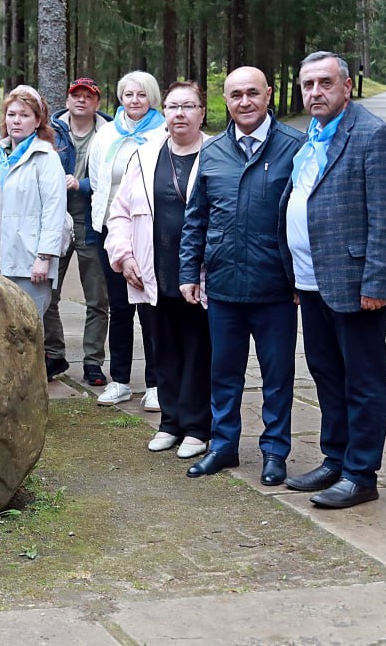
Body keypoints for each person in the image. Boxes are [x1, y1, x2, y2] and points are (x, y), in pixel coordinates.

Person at [281, 52, 386, 509]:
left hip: (356, 286)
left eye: (325, 83)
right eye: (308, 85)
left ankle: (361, 473)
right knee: (327, 375)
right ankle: (335, 458)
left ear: (347, 86)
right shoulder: (311, 136)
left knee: (363, 380)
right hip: (312, 281)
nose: (315, 92)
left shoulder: (372, 135)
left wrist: (376, 282)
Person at [180, 66, 304, 487]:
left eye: (253, 93)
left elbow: (307, 218)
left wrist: (303, 277)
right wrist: (188, 272)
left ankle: (275, 452)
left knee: (277, 377)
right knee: (224, 373)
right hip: (224, 287)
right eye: (236, 95)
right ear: (226, 100)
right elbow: (195, 219)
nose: (245, 102)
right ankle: (223, 446)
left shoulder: (294, 147)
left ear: (268, 95)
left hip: (277, 290)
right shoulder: (212, 154)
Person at [105, 82, 212, 459]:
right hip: (153, 269)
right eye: (172, 106)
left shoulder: (216, 154)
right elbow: (119, 211)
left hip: (198, 275)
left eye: (188, 106)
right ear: (163, 112)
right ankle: (171, 423)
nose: (179, 114)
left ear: (202, 112)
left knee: (198, 351)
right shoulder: (145, 155)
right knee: (161, 350)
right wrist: (124, 255)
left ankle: (198, 428)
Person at [88, 71, 165, 409]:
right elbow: (96, 179)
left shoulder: (162, 133)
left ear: (152, 98)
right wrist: (99, 223)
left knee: (150, 308)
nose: (134, 101)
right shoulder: (106, 135)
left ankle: (156, 383)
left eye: (142, 95)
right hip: (112, 230)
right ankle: (119, 379)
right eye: (128, 94)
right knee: (119, 309)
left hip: (149, 231)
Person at [44, 77, 111, 384]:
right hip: (56, 216)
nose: (81, 100)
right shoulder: (51, 130)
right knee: (47, 291)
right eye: (76, 95)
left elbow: (114, 177)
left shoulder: (110, 133)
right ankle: (53, 354)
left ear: (97, 102)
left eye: (88, 96)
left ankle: (93, 362)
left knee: (97, 297)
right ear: (68, 99)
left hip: (91, 217)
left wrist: (81, 184)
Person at [0, 85, 68, 316]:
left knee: (27, 331)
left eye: (24, 115)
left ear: (38, 121)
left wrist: (44, 257)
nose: (16, 121)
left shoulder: (45, 157)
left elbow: (54, 210)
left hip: (29, 261)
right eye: (12, 115)